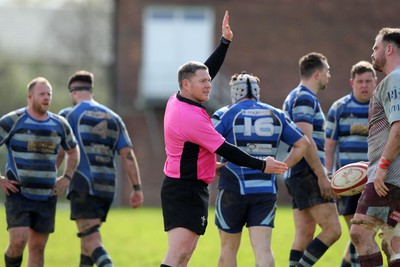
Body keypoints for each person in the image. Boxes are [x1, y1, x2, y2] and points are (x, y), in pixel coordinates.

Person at [161, 12, 288, 267]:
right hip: (184, 189)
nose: (209, 85)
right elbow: (227, 149)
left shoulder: (179, 97)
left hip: (188, 186)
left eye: (209, 80)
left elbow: (203, 71)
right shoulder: (190, 117)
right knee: (177, 255)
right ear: (186, 85)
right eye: (203, 82)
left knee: (184, 255)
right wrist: (263, 165)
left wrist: (224, 43)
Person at [211, 71, 309, 267]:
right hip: (265, 191)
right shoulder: (276, 114)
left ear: (234, 92)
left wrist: (213, 166)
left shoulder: (224, 113)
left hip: (232, 189)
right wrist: (283, 167)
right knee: (263, 248)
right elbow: (303, 143)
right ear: (257, 91)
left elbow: (203, 142)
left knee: (228, 250)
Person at [58, 70, 143, 267]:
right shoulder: (114, 118)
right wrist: (136, 188)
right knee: (86, 245)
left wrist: (51, 178)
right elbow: (128, 156)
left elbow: (61, 152)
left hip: (83, 185)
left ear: (73, 92)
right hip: (107, 188)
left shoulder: (68, 115)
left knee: (91, 239)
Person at [0, 77, 79, 267]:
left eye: (49, 94)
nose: (46, 97)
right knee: (18, 242)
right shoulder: (12, 120)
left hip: (47, 195)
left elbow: (73, 152)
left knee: (37, 248)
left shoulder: (60, 124)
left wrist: (66, 178)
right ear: (29, 96)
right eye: (42, 94)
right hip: (18, 193)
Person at [282, 52, 342, 266]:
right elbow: (304, 139)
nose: (329, 76)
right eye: (327, 72)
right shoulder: (305, 97)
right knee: (333, 230)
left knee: (305, 233)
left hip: (298, 172)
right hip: (307, 172)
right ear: (317, 74)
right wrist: (321, 175)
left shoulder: (294, 96)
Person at [349, 27, 400, 267]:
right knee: (393, 244)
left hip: (389, 177)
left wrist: (382, 166)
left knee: (360, 233)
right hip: (390, 174)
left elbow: (399, 129)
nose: (373, 52)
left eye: (376, 47)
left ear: (389, 49)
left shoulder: (394, 79)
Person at [325, 61, 377, 267]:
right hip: (348, 184)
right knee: (358, 235)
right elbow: (329, 146)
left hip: (376, 182)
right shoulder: (339, 108)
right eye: (360, 82)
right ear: (352, 83)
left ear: (376, 82)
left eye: (368, 81)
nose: (364, 85)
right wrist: (329, 175)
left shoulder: (383, 107)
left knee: (364, 236)